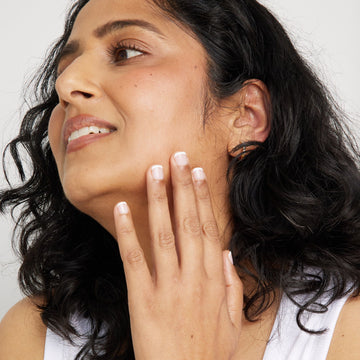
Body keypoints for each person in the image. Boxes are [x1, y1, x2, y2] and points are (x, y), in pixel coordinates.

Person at [0, 0, 359, 359]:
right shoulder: (31, 338)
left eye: (126, 52)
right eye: (65, 68)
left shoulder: (350, 325)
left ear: (246, 116)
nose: (66, 84)